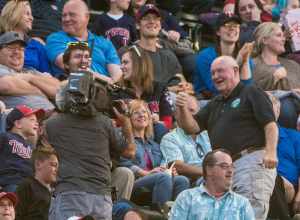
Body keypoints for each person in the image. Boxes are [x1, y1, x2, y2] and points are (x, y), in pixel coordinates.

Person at [176, 56, 278, 220]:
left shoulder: (251, 91)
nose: (216, 76)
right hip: (225, 170)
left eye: (220, 71)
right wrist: (182, 108)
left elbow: (270, 124)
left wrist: (271, 153)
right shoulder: (215, 103)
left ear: (236, 71)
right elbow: (191, 128)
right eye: (213, 73)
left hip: (251, 163)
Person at [46, 79, 136, 219]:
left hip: (70, 195)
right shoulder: (104, 123)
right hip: (102, 199)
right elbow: (130, 151)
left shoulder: (52, 124)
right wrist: (126, 121)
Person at [120, 100, 190, 209]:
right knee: (163, 178)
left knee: (182, 180)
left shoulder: (154, 145)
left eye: (144, 112)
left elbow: (162, 166)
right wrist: (145, 173)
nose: (141, 115)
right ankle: (160, 215)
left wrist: (170, 171)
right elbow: (124, 164)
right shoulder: (126, 141)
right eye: (136, 112)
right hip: (135, 183)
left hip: (157, 180)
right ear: (129, 118)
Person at [46, 0, 122, 81]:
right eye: (64, 15)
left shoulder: (105, 43)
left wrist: (110, 83)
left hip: (104, 91)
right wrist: (108, 81)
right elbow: (74, 67)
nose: (67, 19)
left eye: (72, 15)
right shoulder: (55, 39)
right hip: (72, 89)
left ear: (87, 17)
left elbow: (117, 78)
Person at [169, 149, 255, 220]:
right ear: (209, 170)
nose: (230, 171)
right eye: (224, 166)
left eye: (232, 166)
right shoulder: (187, 198)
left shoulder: (242, 203)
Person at [193, 13, 252, 97]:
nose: (232, 28)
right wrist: (238, 63)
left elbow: (248, 87)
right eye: (227, 25)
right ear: (218, 31)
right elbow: (216, 88)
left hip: (237, 100)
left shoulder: (244, 55)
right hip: (207, 101)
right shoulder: (205, 56)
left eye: (235, 26)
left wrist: (245, 62)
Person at [0, 31, 60, 111]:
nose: (17, 52)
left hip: (52, 115)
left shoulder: (30, 71)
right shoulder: (2, 68)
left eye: (21, 49)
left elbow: (59, 89)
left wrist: (30, 78)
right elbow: (6, 86)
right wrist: (42, 90)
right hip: (24, 121)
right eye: (11, 48)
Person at [119, 45, 173, 130]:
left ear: (139, 63)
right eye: (121, 63)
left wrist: (155, 121)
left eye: (125, 62)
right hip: (129, 136)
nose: (121, 67)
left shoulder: (159, 88)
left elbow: (168, 123)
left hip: (155, 136)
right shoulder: (117, 91)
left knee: (159, 128)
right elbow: (114, 124)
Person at [160, 95, 211, 182]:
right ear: (176, 115)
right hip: (194, 181)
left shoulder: (207, 133)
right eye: (184, 110)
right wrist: (208, 173)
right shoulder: (170, 138)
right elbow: (176, 165)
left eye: (192, 110)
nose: (188, 115)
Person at [0, 105, 44, 192]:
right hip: (11, 183)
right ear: (18, 124)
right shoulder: (5, 137)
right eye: (32, 120)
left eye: (37, 121)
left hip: (28, 187)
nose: (37, 123)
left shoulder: (29, 147)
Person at [134, 4, 182, 83]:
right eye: (146, 18)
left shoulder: (169, 56)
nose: (152, 21)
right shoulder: (129, 52)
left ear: (160, 26)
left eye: (156, 18)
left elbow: (181, 83)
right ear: (137, 25)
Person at [0, 0, 51, 73]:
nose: (31, 18)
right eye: (27, 14)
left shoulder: (36, 45)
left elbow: (47, 74)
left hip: (34, 81)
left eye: (21, 48)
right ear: (14, 14)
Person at [252, 22, 300, 91]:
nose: (283, 39)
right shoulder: (252, 65)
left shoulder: (293, 64)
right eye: (278, 35)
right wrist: (274, 77)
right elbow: (250, 93)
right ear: (265, 40)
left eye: (283, 36)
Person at [15, 144, 59, 220]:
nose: (56, 170)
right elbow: (16, 214)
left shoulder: (52, 193)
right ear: (38, 164)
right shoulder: (27, 186)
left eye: (57, 167)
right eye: (53, 165)